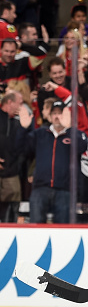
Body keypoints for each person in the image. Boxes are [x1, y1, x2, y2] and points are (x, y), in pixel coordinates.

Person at [26, 101, 87, 223]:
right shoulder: (40, 134)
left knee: (63, 228)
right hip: (40, 188)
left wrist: (69, 129)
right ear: (49, 116)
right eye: (54, 113)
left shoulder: (76, 134)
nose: (57, 116)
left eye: (60, 113)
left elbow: (82, 148)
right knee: (35, 226)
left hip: (65, 189)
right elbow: (22, 149)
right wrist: (24, 129)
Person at [0, 91, 28, 222]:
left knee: (12, 212)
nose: (22, 107)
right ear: (10, 102)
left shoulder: (18, 123)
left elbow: (25, 148)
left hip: (12, 173)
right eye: (20, 103)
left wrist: (26, 126)